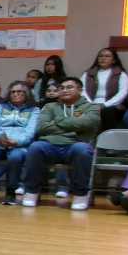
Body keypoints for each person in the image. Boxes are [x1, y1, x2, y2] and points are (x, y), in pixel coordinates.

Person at [22, 77, 100, 210]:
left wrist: (57, 121)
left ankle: (80, 195)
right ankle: (31, 192)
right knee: (35, 147)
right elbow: (41, 127)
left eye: (69, 87)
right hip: (50, 145)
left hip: (75, 144)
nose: (65, 90)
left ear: (80, 90)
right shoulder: (49, 106)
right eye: (62, 88)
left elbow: (88, 123)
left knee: (82, 150)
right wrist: (73, 125)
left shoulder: (91, 107)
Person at [0, 81, 39, 205]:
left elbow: (31, 131)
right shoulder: (1, 107)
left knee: (15, 157)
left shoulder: (34, 110)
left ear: (27, 94)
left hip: (19, 144)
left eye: (19, 91)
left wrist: (17, 142)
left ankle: (11, 191)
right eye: (13, 92)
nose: (15, 94)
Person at [82, 48, 128, 131]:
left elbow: (123, 93)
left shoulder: (120, 74)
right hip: (90, 103)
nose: (103, 58)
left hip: (111, 105)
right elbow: (82, 90)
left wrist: (105, 105)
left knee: (107, 112)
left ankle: (107, 139)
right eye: (100, 56)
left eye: (107, 56)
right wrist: (91, 104)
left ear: (114, 60)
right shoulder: (88, 74)